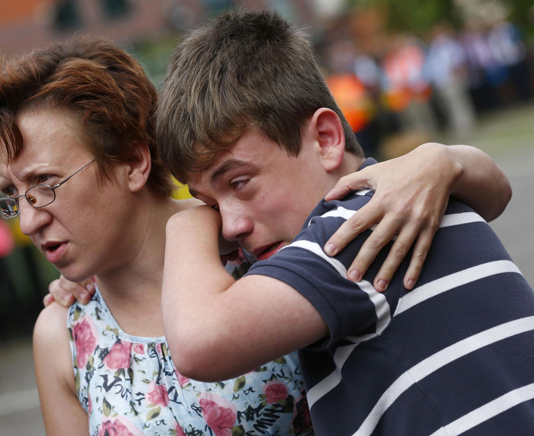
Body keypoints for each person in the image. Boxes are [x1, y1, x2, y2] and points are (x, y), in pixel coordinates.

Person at [0, 30, 508, 436]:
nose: (29, 219)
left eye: (45, 184)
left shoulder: (272, 246)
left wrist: (439, 160)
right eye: (13, 196)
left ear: (132, 162)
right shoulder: (64, 332)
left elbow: (474, 195)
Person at [154, 10, 534, 435]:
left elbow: (200, 342)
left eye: (239, 182)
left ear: (326, 139)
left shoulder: (357, 227)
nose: (228, 227)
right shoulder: (409, 193)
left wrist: (182, 226)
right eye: (208, 205)